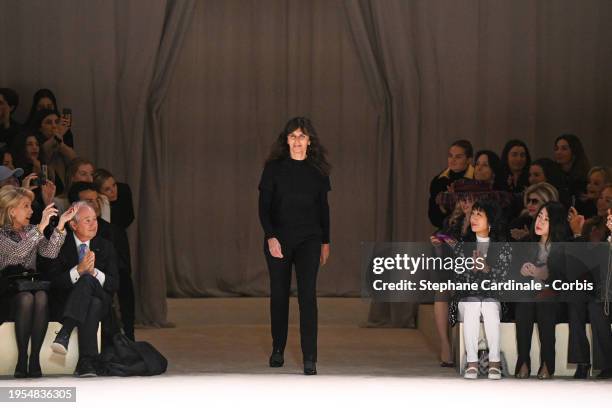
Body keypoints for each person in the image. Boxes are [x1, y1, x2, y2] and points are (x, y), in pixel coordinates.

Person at [258, 117, 331, 375]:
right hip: (279, 239)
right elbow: (263, 208)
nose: (297, 141)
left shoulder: (318, 171)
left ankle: (310, 356)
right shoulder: (273, 169)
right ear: (286, 140)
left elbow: (323, 209)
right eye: (293, 136)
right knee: (279, 295)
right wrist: (271, 236)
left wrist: (325, 241)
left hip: (309, 239)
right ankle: (278, 349)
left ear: (310, 141)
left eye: (302, 136)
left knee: (307, 296)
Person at [0, 186, 76, 378]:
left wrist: (61, 225)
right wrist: (40, 228)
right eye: (26, 206)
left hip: (30, 285)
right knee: (26, 298)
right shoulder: (1, 235)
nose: (31, 211)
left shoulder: (32, 230)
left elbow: (49, 253)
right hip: (7, 291)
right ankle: (21, 359)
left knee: (41, 296)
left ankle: (34, 358)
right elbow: (16, 256)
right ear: (11, 210)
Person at [434, 199, 511, 380]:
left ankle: (494, 362)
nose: (473, 218)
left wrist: (487, 269)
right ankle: (472, 363)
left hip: (493, 299)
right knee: (474, 304)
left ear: (490, 221)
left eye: (479, 215)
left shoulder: (503, 246)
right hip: (466, 299)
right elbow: (458, 280)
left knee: (490, 306)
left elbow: (504, 280)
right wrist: (472, 271)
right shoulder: (463, 244)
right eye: (473, 214)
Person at [42, 202, 119, 377]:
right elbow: (54, 282)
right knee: (93, 302)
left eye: (95, 219)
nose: (94, 224)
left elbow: (115, 285)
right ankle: (87, 362)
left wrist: (93, 272)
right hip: (69, 303)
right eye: (87, 220)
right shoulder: (61, 244)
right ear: (73, 225)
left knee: (88, 281)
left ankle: (64, 333)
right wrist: (78, 270)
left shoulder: (105, 245)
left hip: (104, 303)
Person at [68, 181, 135, 340]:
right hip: (71, 289)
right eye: (89, 201)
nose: (96, 204)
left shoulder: (113, 232)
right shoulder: (64, 233)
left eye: (97, 199)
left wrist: (94, 271)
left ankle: (128, 334)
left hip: (103, 287)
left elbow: (121, 272)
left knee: (121, 280)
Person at [513, 201, 571, 379]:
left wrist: (544, 275)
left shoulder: (563, 247)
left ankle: (547, 363)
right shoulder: (527, 242)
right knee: (524, 302)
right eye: (539, 216)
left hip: (554, 298)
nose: (540, 222)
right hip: (530, 294)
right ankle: (523, 361)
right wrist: (522, 272)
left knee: (545, 302)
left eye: (546, 219)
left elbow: (566, 280)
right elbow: (513, 274)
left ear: (556, 223)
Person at [428, 140, 474, 230]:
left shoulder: (477, 178)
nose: (452, 160)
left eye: (458, 157)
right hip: (446, 231)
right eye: (450, 156)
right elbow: (433, 216)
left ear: (469, 160)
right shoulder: (439, 180)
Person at [31, 109, 77, 195]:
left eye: (56, 122)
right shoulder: (35, 145)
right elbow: (44, 153)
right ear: (40, 128)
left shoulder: (60, 143)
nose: (54, 126)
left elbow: (75, 161)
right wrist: (58, 134)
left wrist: (60, 142)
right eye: (49, 122)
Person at [553, 134, 591, 206]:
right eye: (556, 149)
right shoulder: (553, 174)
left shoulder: (585, 178)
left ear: (574, 151)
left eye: (564, 149)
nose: (558, 152)